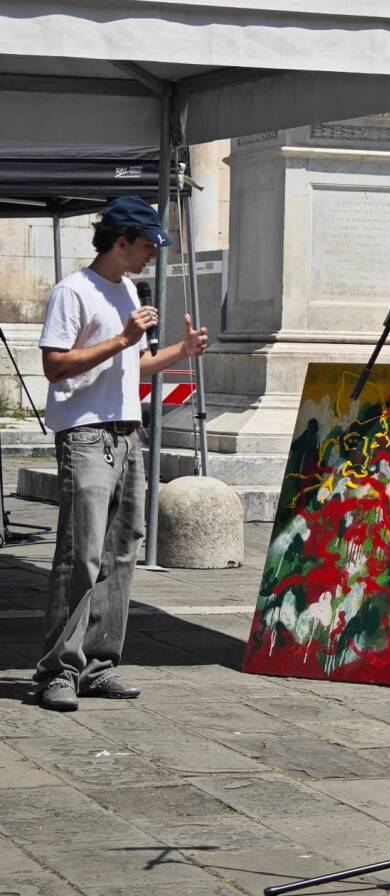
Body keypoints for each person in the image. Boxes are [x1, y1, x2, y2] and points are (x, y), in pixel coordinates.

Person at [34, 196, 209, 712]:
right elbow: (55, 366)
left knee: (121, 552)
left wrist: (181, 352)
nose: (153, 253)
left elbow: (135, 366)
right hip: (86, 435)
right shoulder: (73, 291)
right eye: (148, 244)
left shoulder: (129, 288)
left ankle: (98, 664)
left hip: (128, 434)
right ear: (121, 241)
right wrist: (122, 337)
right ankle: (57, 671)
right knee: (81, 555)